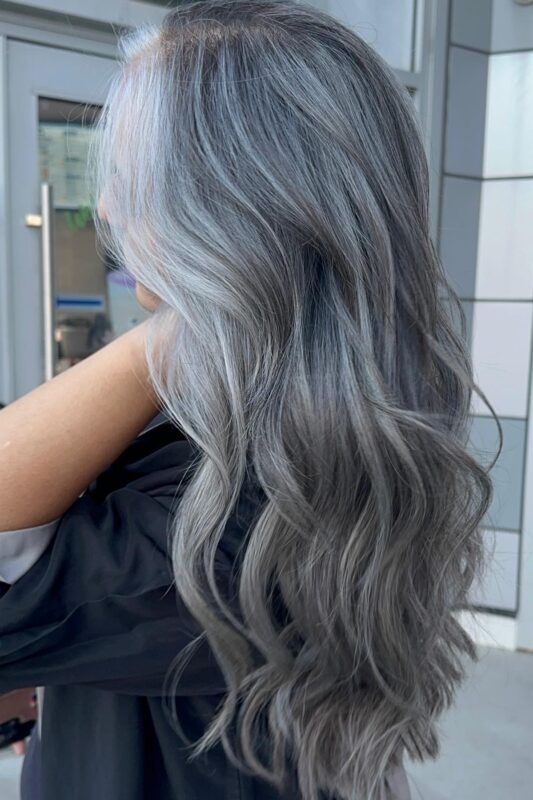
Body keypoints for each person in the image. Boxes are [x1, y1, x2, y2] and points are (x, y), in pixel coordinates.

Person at [0, 2, 499, 799]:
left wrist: (174, 331)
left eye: (130, 182)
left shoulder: (252, 495)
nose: (106, 215)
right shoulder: (348, 424)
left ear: (228, 216)